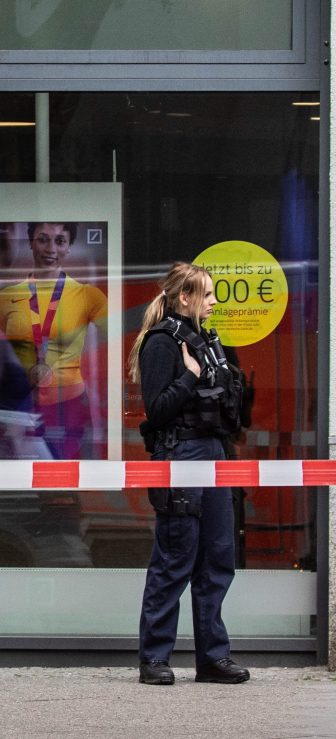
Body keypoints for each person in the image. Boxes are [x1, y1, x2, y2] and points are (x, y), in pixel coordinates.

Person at [132, 261, 248, 687]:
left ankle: (213, 659)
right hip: (179, 453)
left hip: (214, 453)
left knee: (218, 558)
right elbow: (158, 410)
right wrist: (191, 376)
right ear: (185, 297)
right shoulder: (161, 343)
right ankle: (154, 658)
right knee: (175, 557)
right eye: (208, 294)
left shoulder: (209, 341)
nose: (215, 301)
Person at [0, 222, 108, 459]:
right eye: (43, 239)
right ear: (31, 243)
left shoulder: (88, 296)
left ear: (69, 247)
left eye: (60, 241)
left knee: (67, 477)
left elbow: (107, 353)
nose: (51, 249)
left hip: (70, 408)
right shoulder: (7, 298)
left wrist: (102, 414)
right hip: (24, 407)